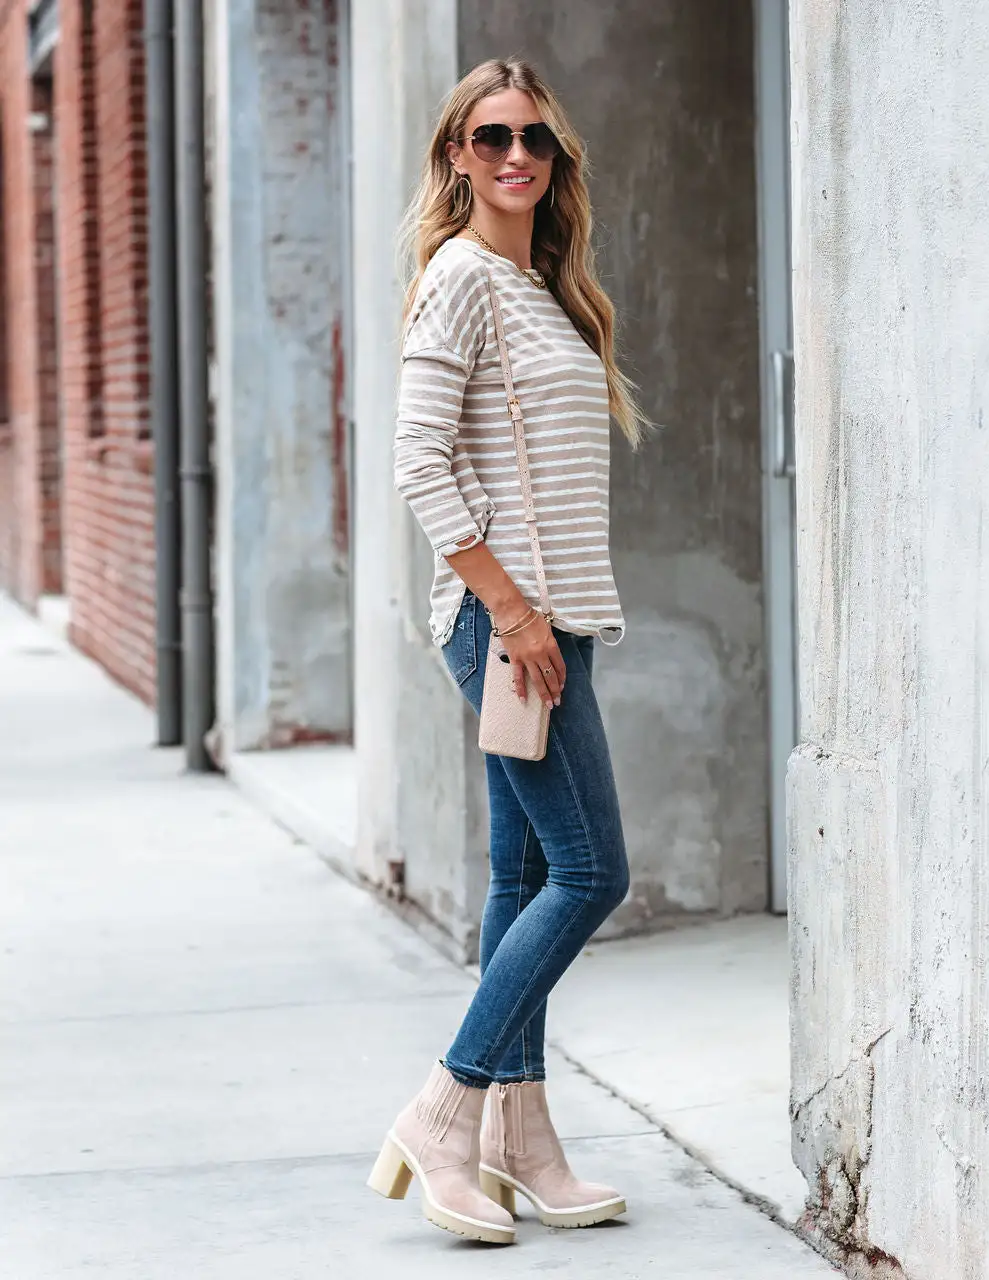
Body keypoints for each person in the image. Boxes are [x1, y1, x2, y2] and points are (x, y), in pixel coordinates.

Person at [368, 57, 647, 1247]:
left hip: (551, 619)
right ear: (456, 157)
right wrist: (518, 617)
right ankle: (446, 1106)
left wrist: (547, 617)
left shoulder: (545, 289)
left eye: (534, 137)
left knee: (524, 876)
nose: (516, 155)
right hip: (508, 623)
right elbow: (418, 463)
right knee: (592, 872)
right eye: (491, 138)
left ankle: (518, 1139)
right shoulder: (461, 280)